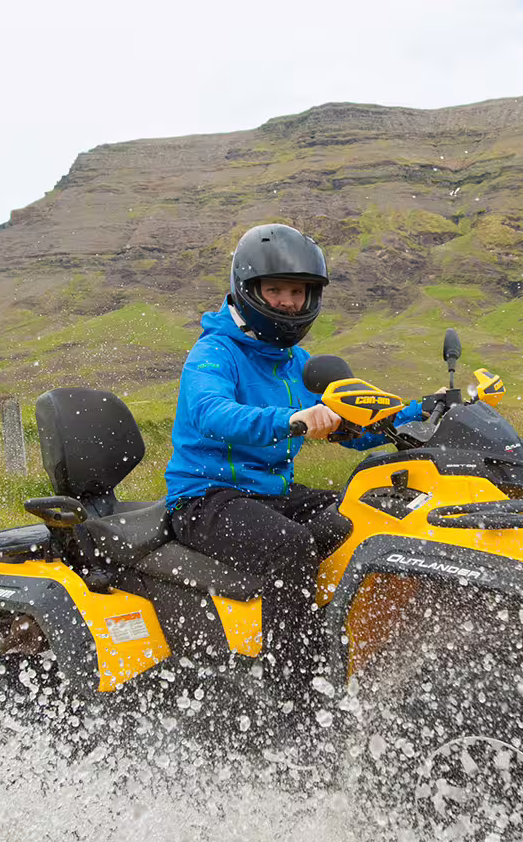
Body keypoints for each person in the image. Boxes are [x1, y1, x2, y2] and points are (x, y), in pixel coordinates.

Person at [163, 222, 411, 688]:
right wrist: (291, 420)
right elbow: (211, 413)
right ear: (247, 290)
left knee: (366, 512)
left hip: (272, 492)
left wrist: (425, 410)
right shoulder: (213, 352)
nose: (288, 303)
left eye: (298, 292)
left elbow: (354, 425)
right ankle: (290, 690)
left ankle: (332, 637)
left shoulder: (298, 364)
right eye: (275, 290)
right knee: (290, 546)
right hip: (205, 497)